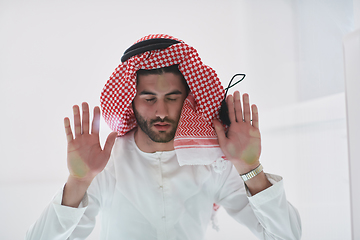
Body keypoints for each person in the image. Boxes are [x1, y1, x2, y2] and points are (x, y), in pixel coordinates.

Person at [26, 34, 302, 240]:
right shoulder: (105, 164)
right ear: (130, 103)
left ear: (189, 100)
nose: (161, 110)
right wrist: (78, 181)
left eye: (172, 97)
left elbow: (286, 236)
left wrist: (251, 169)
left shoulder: (212, 161)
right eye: (148, 98)